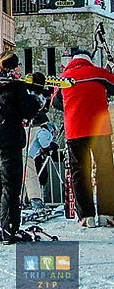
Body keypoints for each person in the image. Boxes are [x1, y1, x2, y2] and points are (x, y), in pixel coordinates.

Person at [0, 53, 46, 243]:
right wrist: (37, 93)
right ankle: (10, 229)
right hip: (9, 137)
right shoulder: (16, 86)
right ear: (14, 67)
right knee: (10, 185)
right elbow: (29, 110)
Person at [52, 47, 114, 228]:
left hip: (75, 129)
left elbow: (56, 103)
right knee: (105, 170)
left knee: (79, 172)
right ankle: (107, 214)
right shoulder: (99, 73)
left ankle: (86, 216)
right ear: (88, 59)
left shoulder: (63, 78)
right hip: (100, 129)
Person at [22, 112, 53, 209]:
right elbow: (44, 142)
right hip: (27, 156)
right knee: (31, 177)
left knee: (21, 178)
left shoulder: (26, 129)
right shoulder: (41, 130)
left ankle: (20, 200)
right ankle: (36, 200)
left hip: (18, 153)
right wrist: (49, 145)